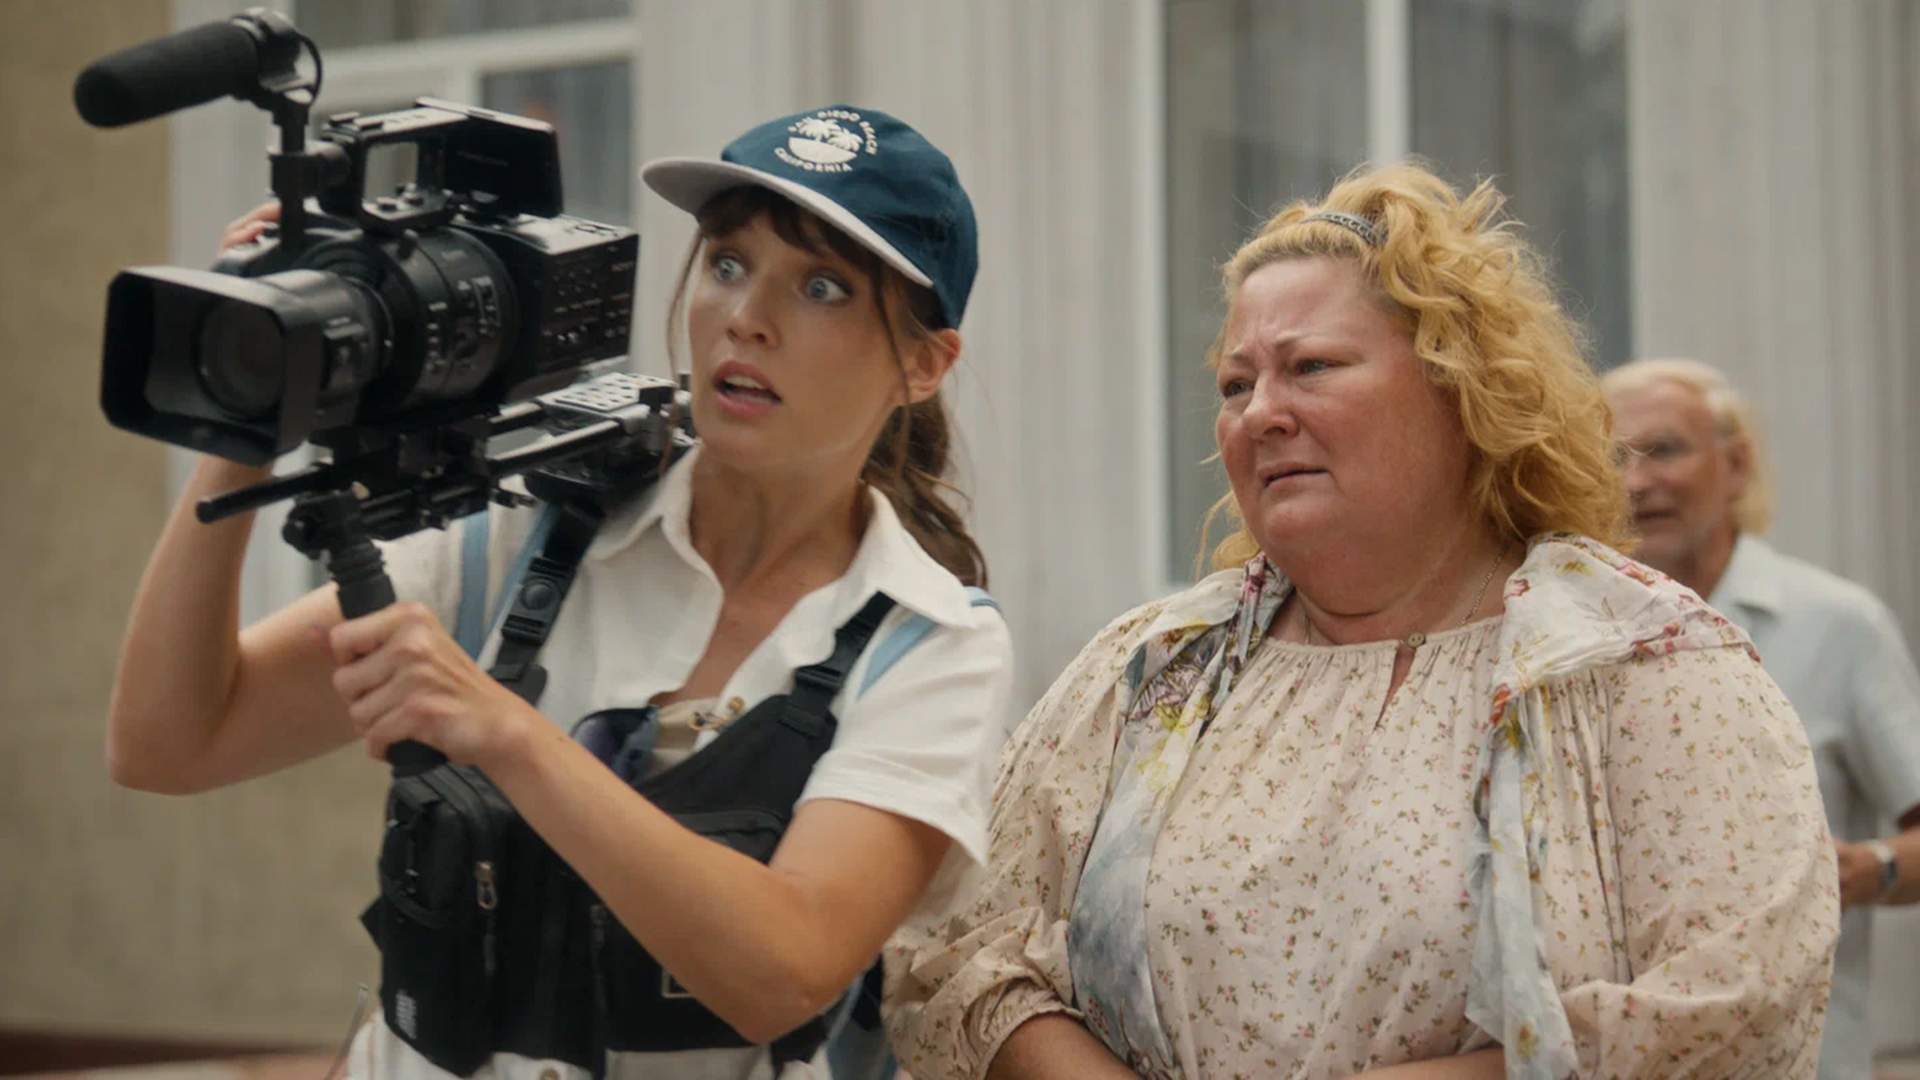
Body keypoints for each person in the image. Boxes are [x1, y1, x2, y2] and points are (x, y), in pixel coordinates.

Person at [105, 104, 1012, 1079]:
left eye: (822, 288)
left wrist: (508, 733)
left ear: (923, 364)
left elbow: (782, 972)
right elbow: (170, 742)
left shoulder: (930, 642)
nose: (746, 317)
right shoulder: (524, 530)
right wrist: (248, 405)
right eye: (727, 263)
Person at [883, 164, 1839, 1079]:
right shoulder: (1153, 670)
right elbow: (955, 953)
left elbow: (1738, 1010)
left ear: (1462, 390)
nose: (1261, 414)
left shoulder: (1637, 663)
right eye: (1235, 384)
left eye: (1311, 367)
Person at [1604, 357, 1920, 1080]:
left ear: (1737, 464)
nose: (1636, 482)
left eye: (1664, 450)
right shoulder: (1577, 635)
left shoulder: (1838, 625)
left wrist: (1866, 869)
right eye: (1614, 459)